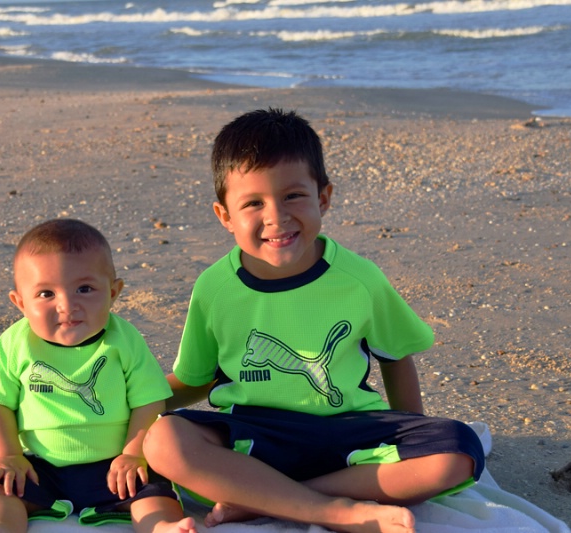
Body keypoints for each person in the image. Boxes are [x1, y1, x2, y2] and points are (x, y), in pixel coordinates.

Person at [142, 109, 485, 533]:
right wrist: (134, 406)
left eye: (293, 196)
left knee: (459, 452)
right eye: (253, 203)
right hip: (255, 435)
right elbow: (197, 379)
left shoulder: (359, 280)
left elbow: (395, 357)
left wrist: (411, 433)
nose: (276, 217)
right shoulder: (215, 288)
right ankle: (333, 510)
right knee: (163, 441)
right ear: (224, 215)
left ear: (323, 197)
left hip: (345, 431)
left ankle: (264, 499)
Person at [0, 219, 196, 533]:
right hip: (38, 464)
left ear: (113, 292)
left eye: (85, 289)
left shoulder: (123, 341)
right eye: (45, 294)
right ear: (20, 303)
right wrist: (7, 455)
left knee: (152, 494)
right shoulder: (16, 344)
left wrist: (133, 454)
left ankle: (163, 527)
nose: (67, 305)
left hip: (114, 464)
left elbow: (149, 402)